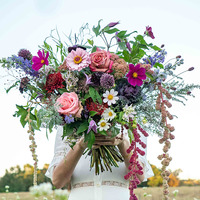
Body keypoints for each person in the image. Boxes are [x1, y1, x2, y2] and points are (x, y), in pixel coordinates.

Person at [46, 125, 154, 200]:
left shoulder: (132, 122)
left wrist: (123, 143)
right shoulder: (67, 124)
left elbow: (138, 178)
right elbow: (58, 181)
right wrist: (80, 145)